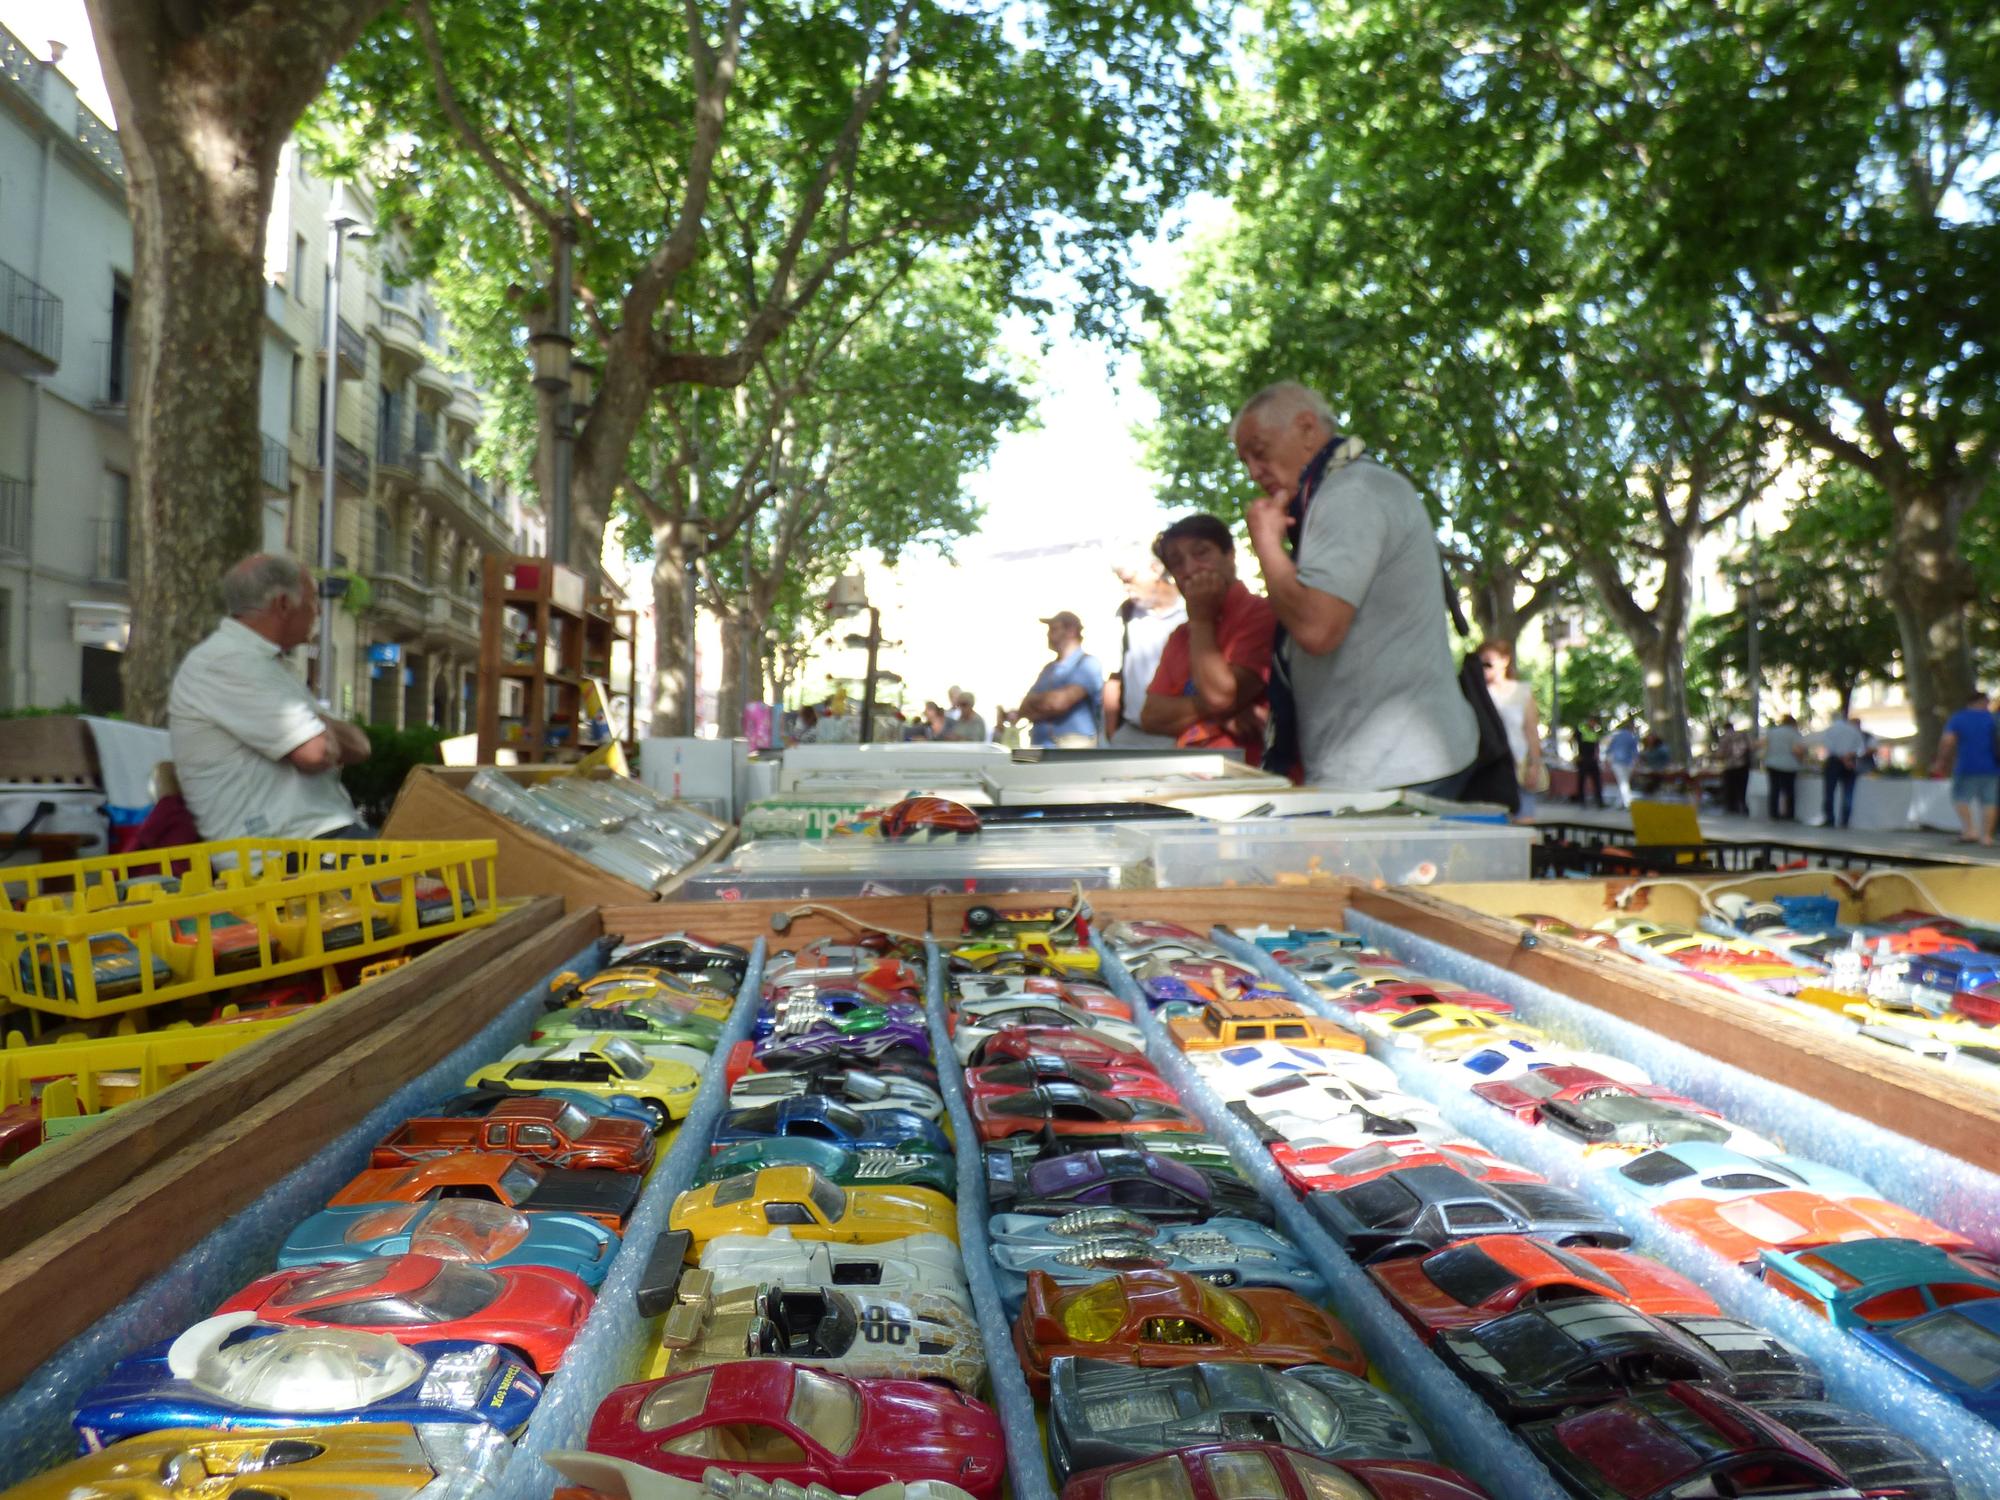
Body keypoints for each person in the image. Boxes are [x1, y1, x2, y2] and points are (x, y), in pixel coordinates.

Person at [1234, 381, 1476, 791]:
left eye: (1260, 452)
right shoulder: (1348, 489)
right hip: (1396, 762)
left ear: (1307, 429)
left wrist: (1267, 547)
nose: (1255, 472)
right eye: (1245, 461)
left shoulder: (1350, 494)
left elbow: (1316, 628)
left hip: (1393, 769)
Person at [167, 553, 373, 840]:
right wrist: (320, 726)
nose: (319, 612)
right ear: (284, 604)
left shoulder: (264, 664)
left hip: (317, 840)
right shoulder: (226, 662)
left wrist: (318, 725)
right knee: (437, 874)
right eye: (314, 601)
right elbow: (317, 752)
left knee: (439, 864)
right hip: (281, 853)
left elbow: (360, 746)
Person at [1137, 514, 1277, 764]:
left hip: (1254, 774)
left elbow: (1220, 697)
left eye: (1201, 553)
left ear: (1230, 555)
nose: (1190, 569)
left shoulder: (1263, 613)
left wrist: (1201, 620)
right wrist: (1222, 713)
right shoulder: (1180, 635)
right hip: (1192, 773)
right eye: (1177, 562)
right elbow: (1150, 716)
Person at [1104, 560, 1186, 749]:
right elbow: (1113, 677)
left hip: (1181, 734)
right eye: (1122, 582)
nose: (1127, 589)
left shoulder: (1193, 609)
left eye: (1130, 580)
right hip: (1132, 734)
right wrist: (1112, 732)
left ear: (1155, 568)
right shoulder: (1126, 613)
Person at [1004, 611, 1105, 748]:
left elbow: (1059, 703)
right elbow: (1024, 707)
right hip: (1041, 746)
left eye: (1054, 629)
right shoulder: (1048, 669)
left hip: (1072, 746)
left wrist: (1036, 703)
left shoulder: (1087, 664)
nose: (1048, 634)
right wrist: (1041, 704)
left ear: (1071, 631)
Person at [1476, 639, 1542, 820]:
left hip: (1518, 764)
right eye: (1480, 663)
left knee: (1525, 820)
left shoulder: (1522, 692)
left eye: (1489, 662)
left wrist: (1534, 764)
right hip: (1489, 767)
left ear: (1505, 660)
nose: (1485, 667)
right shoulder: (1478, 693)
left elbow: (1531, 731)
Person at [1932, 689, 1999, 846]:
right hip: (1993, 766)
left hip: (1966, 765)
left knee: (1960, 797)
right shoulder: (1994, 719)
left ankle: (1970, 830)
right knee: (1990, 801)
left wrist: (1941, 761)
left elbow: (1948, 741)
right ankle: (1987, 836)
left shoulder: (1959, 718)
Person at [1816, 713, 1866, 829]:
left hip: (1834, 762)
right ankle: (1845, 820)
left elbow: (1829, 746)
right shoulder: (1854, 730)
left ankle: (1830, 819)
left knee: (1830, 792)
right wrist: (1848, 757)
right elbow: (1861, 748)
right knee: (1848, 793)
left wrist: (1842, 757)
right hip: (1850, 761)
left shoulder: (1831, 730)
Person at [1761, 714, 1806, 821]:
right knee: (1789, 791)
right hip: (1789, 765)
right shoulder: (1794, 734)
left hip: (1772, 764)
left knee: (1774, 790)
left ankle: (1773, 813)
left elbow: (1765, 746)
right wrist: (1801, 761)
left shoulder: (1772, 732)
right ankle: (1789, 814)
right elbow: (1797, 750)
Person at [1717, 722, 1753, 815]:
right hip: (1743, 765)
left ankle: (1732, 807)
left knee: (1731, 787)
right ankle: (1743, 805)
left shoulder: (1724, 737)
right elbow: (1750, 747)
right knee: (1742, 787)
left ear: (1725, 728)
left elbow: (1721, 754)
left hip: (1730, 766)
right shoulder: (1743, 735)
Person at [1605, 719, 1641, 808]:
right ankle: (1625, 802)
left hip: (1617, 762)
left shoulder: (1616, 736)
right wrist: (1637, 761)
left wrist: (1607, 760)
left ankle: (1622, 803)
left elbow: (1609, 749)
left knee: (1622, 783)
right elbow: (1635, 751)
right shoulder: (1632, 737)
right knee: (1624, 782)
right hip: (1628, 762)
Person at [1572, 723, 1604, 807]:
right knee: (1587, 781)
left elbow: (1597, 747)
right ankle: (1588, 801)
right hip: (1586, 759)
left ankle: (1597, 801)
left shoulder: (1591, 733)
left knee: (1591, 781)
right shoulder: (1584, 732)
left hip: (1588, 760)